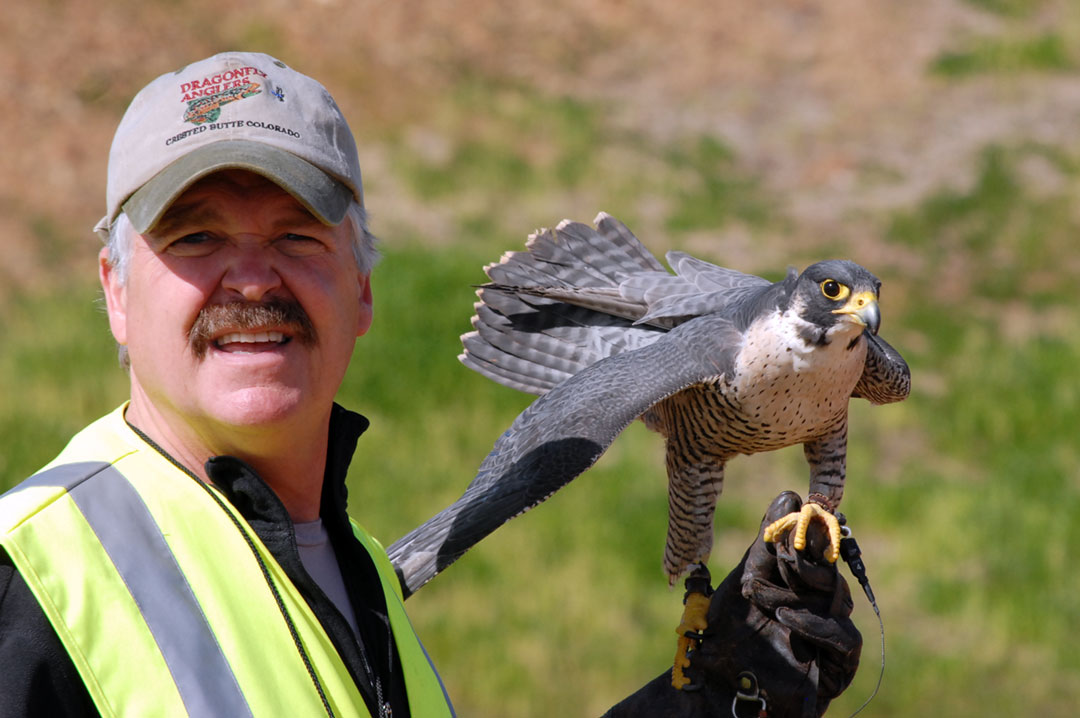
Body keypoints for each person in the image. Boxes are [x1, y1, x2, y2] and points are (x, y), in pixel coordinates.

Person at [0, 51, 861, 717]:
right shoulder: (30, 580)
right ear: (114, 291)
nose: (252, 279)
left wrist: (704, 708)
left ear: (364, 287)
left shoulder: (356, 570)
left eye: (298, 236)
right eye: (194, 239)